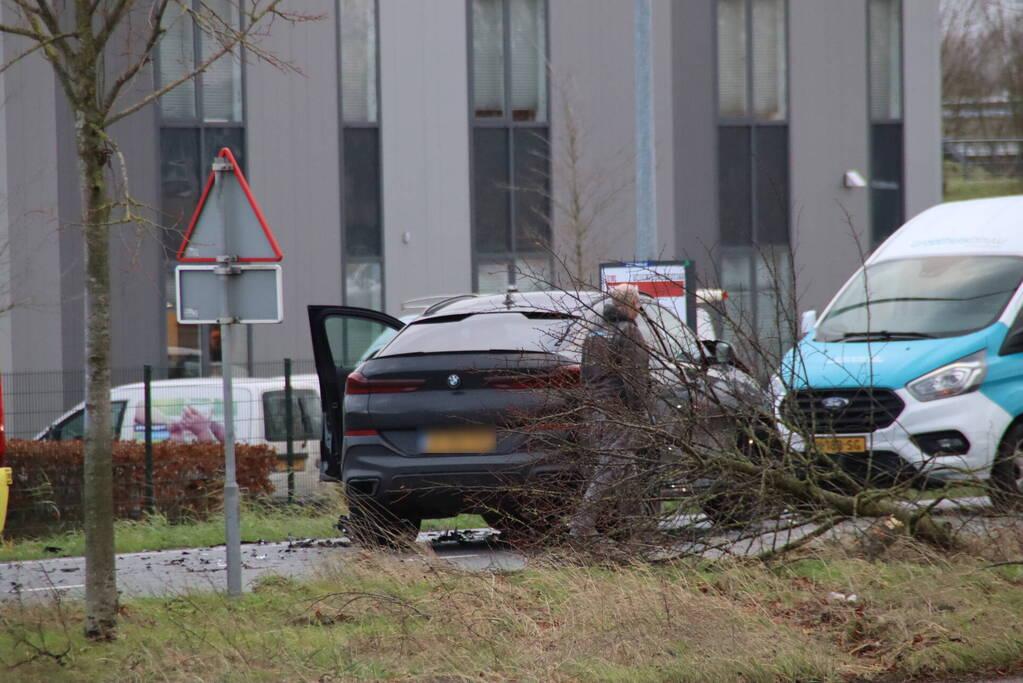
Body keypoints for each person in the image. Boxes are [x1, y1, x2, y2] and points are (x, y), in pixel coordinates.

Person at [568, 283, 652, 541]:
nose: (640, 308)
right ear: (630, 304)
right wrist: (641, 413)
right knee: (611, 467)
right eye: (638, 303)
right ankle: (581, 526)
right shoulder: (628, 332)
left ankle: (636, 527)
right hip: (619, 409)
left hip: (595, 408)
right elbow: (634, 378)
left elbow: (585, 375)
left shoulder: (594, 333)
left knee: (627, 467)